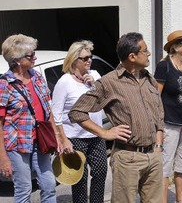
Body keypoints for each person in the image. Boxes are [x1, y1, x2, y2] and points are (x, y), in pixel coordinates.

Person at [69, 32, 164, 203]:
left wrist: (158, 144)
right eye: (145, 50)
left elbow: (159, 112)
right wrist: (104, 133)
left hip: (154, 155)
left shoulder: (149, 79)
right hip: (128, 158)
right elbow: (77, 112)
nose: (149, 54)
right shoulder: (109, 82)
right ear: (132, 56)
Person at [0, 34, 58, 203]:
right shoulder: (5, 84)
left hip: (40, 141)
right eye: (30, 55)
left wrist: (58, 137)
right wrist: (3, 158)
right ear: (17, 60)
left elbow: (48, 110)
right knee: (24, 189)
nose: (35, 57)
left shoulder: (37, 77)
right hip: (17, 144)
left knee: (49, 185)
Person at [51, 40, 108, 203]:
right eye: (85, 58)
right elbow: (56, 114)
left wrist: (94, 85)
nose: (89, 60)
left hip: (96, 134)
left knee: (100, 172)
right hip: (75, 137)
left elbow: (105, 101)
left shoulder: (96, 75)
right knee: (79, 179)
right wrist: (63, 139)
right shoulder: (64, 82)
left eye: (90, 57)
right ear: (74, 60)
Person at [156, 30, 182, 203]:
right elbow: (155, 97)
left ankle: (181, 200)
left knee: (181, 165)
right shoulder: (164, 67)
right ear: (174, 47)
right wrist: (158, 125)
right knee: (165, 166)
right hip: (169, 122)